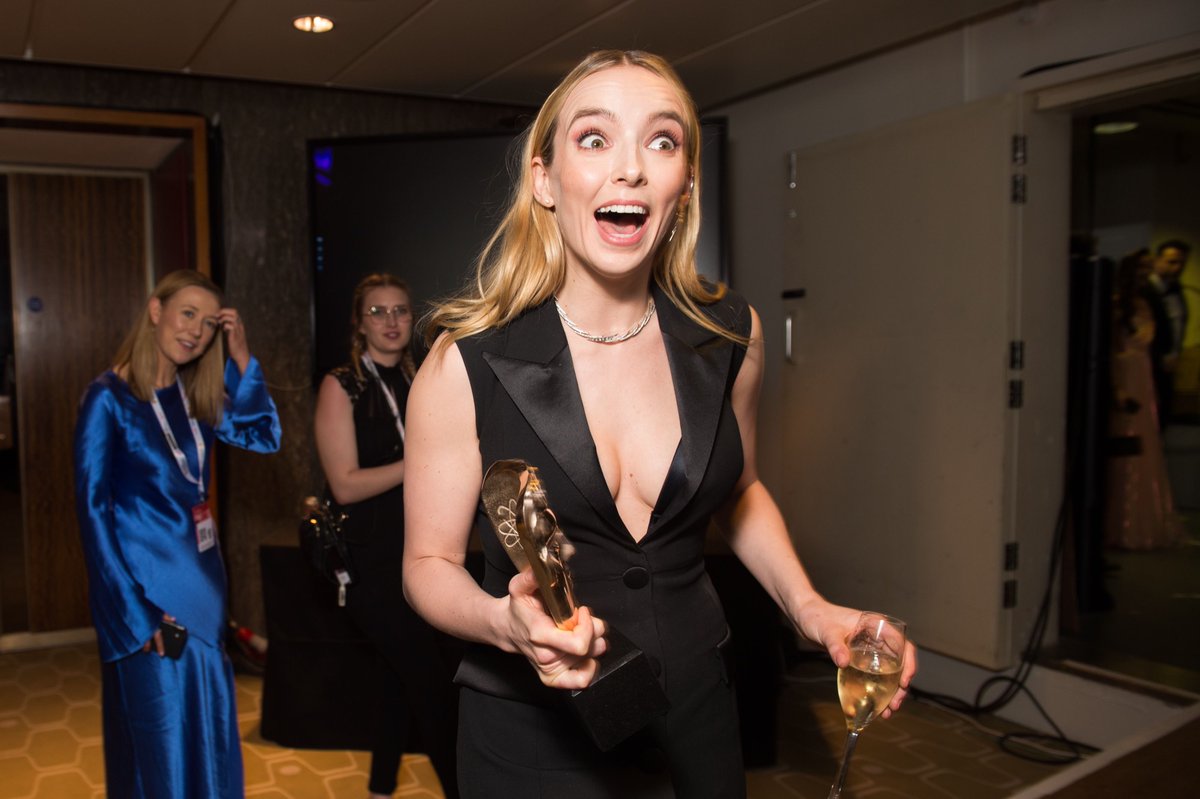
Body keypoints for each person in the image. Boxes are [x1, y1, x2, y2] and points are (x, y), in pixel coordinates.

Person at [402, 50, 917, 798]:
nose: (631, 169)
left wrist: (811, 609)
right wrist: (503, 623)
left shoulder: (730, 336)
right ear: (544, 179)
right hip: (531, 732)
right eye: (595, 138)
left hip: (694, 712)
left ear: (684, 186)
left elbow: (739, 491)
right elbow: (426, 565)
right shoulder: (464, 363)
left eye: (662, 141)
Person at [73, 269, 280, 798]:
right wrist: (135, 614)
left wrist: (241, 359)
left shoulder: (192, 396)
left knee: (206, 738)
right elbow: (92, 514)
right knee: (160, 747)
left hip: (204, 595)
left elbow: (263, 436)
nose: (197, 331)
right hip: (150, 601)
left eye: (210, 324)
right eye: (188, 314)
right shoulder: (108, 398)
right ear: (156, 310)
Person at [313, 273, 460, 799]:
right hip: (369, 561)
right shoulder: (342, 384)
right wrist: (418, 462)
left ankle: (379, 787)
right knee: (431, 686)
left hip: (421, 548)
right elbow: (346, 485)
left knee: (399, 679)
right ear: (359, 323)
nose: (392, 321)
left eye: (400, 310)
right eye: (378, 312)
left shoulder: (421, 378)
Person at [1106, 251, 1183, 550]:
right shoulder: (1117, 304)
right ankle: (1119, 520)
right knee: (1124, 445)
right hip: (1126, 377)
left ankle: (1140, 518)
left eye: (1147, 268)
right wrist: (1116, 387)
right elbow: (1111, 349)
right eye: (1141, 267)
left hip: (1144, 378)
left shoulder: (1147, 303)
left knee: (1144, 445)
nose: (1145, 272)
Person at [1142, 239, 1191, 428]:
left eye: (1181, 263)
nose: (1177, 268)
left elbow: (1178, 325)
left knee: (1163, 414)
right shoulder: (1146, 291)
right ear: (1158, 261)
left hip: (1169, 364)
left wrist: (1175, 353)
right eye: (1172, 262)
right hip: (1149, 363)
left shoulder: (1177, 291)